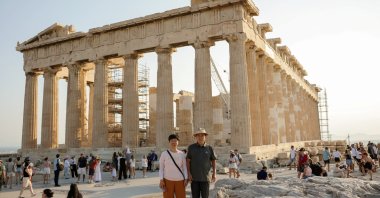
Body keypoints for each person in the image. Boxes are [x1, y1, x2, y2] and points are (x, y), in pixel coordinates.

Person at [186, 128, 217, 198]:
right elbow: (188, 161)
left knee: (205, 196)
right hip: (194, 178)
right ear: (195, 137)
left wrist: (214, 173)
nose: (200, 137)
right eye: (198, 135)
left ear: (205, 136)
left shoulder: (209, 148)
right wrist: (189, 173)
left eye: (202, 135)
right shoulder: (191, 147)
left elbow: (213, 160)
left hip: (206, 178)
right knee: (195, 196)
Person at [159, 134, 188, 198]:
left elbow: (184, 167)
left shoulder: (182, 154)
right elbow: (161, 168)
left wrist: (186, 178)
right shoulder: (164, 154)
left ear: (178, 142)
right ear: (169, 142)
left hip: (180, 180)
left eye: (175, 140)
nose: (174, 142)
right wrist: (161, 179)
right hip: (167, 180)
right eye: (172, 140)